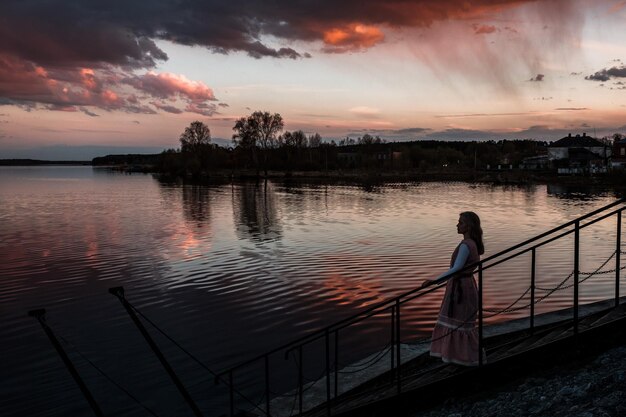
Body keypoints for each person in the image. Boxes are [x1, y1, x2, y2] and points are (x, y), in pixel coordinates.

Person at [422, 211, 485, 366]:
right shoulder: (473, 244)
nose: (457, 225)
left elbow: (457, 268)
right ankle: (463, 358)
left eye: (460, 222)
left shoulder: (466, 245)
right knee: (462, 324)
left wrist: (434, 281)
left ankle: (459, 360)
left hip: (460, 289)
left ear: (468, 226)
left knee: (456, 324)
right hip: (467, 285)